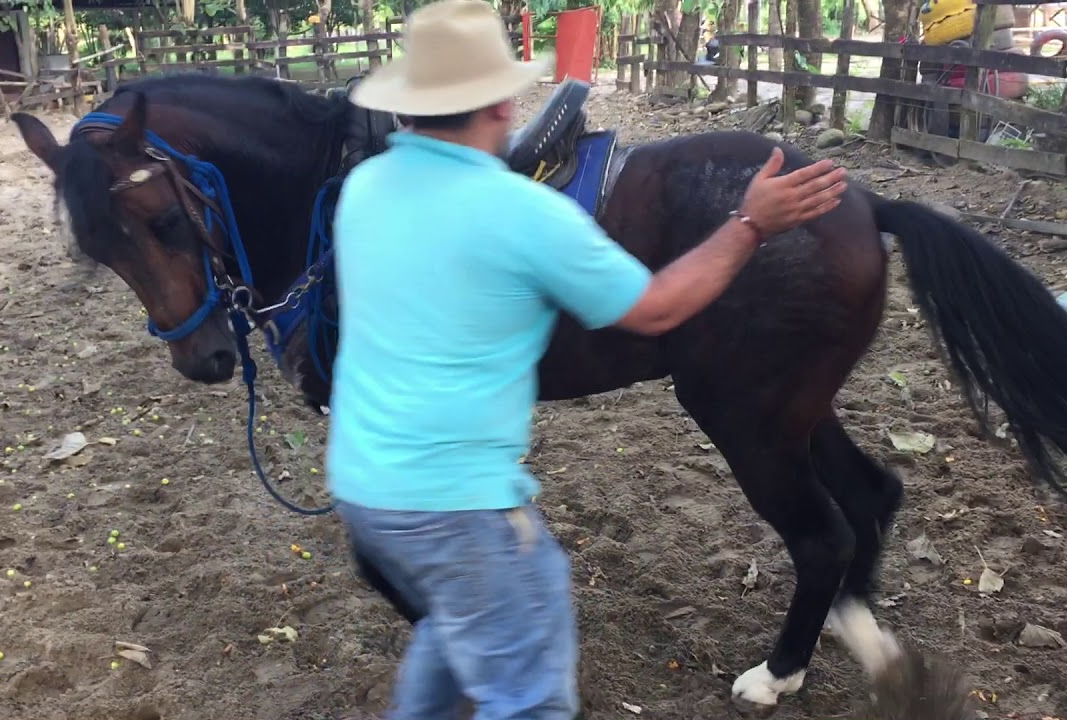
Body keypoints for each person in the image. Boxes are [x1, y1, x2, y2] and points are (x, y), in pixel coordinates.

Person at [326, 1, 848, 718]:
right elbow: (657, 308)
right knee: (530, 695)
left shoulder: (363, 189)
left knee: (451, 641)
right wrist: (752, 223)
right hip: (460, 505)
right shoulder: (518, 210)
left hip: (364, 491)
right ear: (505, 101)